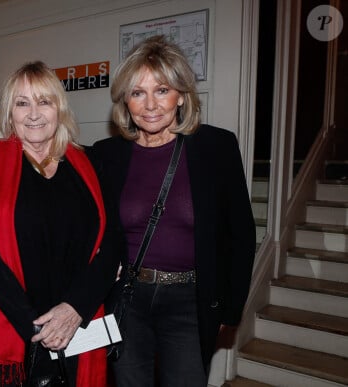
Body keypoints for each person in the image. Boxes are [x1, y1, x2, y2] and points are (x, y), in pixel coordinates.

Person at [89, 35, 256, 386]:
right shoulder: (106, 154)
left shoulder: (216, 147)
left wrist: (231, 306)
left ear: (181, 95)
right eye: (137, 93)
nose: (150, 104)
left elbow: (240, 234)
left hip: (191, 302)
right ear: (125, 101)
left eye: (161, 90)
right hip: (128, 298)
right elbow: (93, 229)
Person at [0, 61, 121, 387]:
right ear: (9, 111)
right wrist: (33, 323)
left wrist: (74, 309)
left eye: (43, 101)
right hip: (7, 318)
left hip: (78, 322)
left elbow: (113, 243)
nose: (33, 113)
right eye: (22, 103)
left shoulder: (88, 162)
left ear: (58, 108)